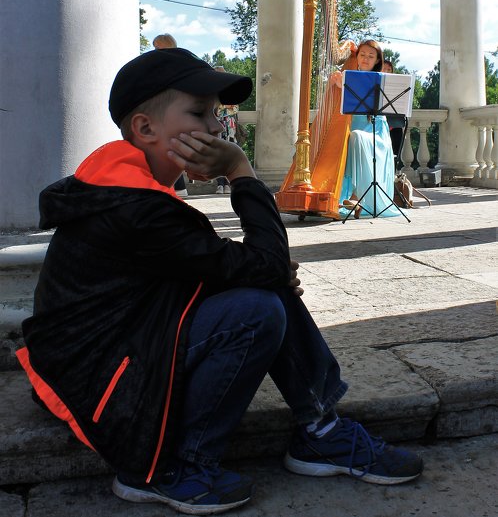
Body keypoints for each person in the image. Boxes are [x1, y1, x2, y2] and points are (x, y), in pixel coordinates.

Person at [17, 48, 423, 514]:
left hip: (119, 346)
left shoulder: (129, 190)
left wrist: (262, 269)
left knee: (260, 285)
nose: (216, 128)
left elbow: (247, 265)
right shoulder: (135, 208)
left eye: (216, 114)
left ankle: (321, 431)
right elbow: (262, 263)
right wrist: (240, 171)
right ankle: (169, 469)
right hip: (96, 381)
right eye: (198, 113)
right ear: (145, 128)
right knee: (257, 308)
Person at [330, 39, 399, 218]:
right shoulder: (347, 75)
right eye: (362, 54)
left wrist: (343, 87)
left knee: (357, 137)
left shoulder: (380, 80)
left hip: (375, 131)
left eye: (371, 56)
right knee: (351, 138)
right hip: (353, 128)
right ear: (357, 56)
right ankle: (331, 195)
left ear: (377, 60)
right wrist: (334, 84)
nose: (366, 59)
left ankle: (357, 196)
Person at [153, 33, 189, 197]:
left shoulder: (175, 67)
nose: (154, 51)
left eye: (157, 47)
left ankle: (175, 187)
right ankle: (177, 187)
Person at [213, 66, 239, 195]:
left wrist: (219, 108)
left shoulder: (232, 89)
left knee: (229, 155)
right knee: (217, 155)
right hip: (216, 126)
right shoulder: (212, 91)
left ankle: (228, 184)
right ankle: (220, 184)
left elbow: (234, 108)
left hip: (230, 128)